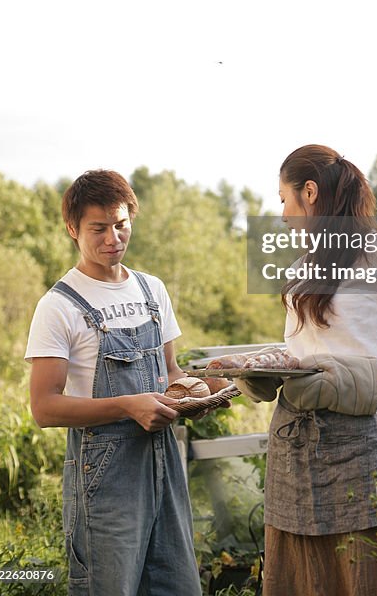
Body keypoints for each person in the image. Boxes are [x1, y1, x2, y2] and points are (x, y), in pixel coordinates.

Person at [242, 145, 377, 596]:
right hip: (293, 447)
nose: (281, 214)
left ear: (309, 193)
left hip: (358, 448)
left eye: (283, 198)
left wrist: (361, 378)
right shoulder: (300, 270)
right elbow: (308, 352)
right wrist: (267, 366)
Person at [26, 169, 227, 596]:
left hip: (165, 466)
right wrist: (127, 406)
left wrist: (215, 386)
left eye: (121, 225)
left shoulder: (152, 290)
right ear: (72, 229)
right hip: (104, 476)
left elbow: (172, 374)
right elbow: (44, 408)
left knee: (179, 586)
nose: (112, 238)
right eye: (98, 229)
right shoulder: (58, 306)